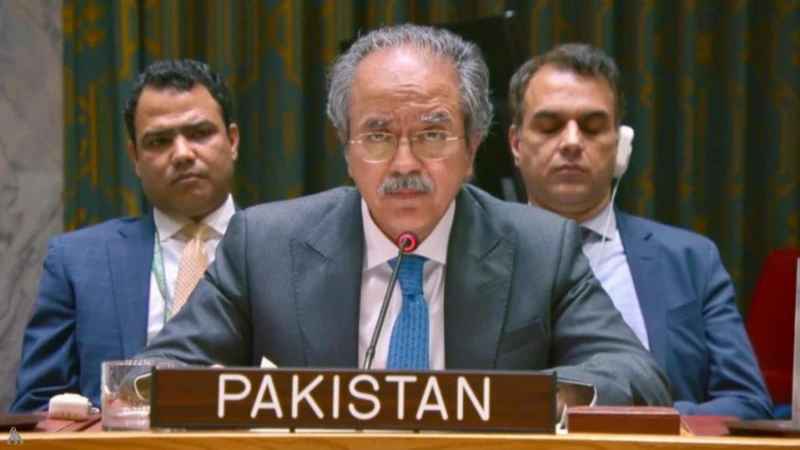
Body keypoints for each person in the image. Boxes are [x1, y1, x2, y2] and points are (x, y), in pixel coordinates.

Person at [135, 24, 671, 407]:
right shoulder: (265, 244)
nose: (405, 163)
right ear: (346, 148)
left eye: (433, 134)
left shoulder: (542, 248)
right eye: (377, 136)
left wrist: (525, 401)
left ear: (472, 147)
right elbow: (155, 372)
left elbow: (635, 374)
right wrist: (220, 392)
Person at [507, 43, 772, 419]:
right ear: (516, 144)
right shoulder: (471, 256)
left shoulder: (691, 261)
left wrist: (647, 422)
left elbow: (748, 403)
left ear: (620, 146)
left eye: (592, 127)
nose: (571, 142)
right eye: (549, 127)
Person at [11, 59, 241, 412]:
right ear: (135, 156)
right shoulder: (77, 262)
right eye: (159, 141)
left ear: (232, 141)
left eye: (199, 133)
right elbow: (34, 408)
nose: (182, 154)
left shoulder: (284, 251)